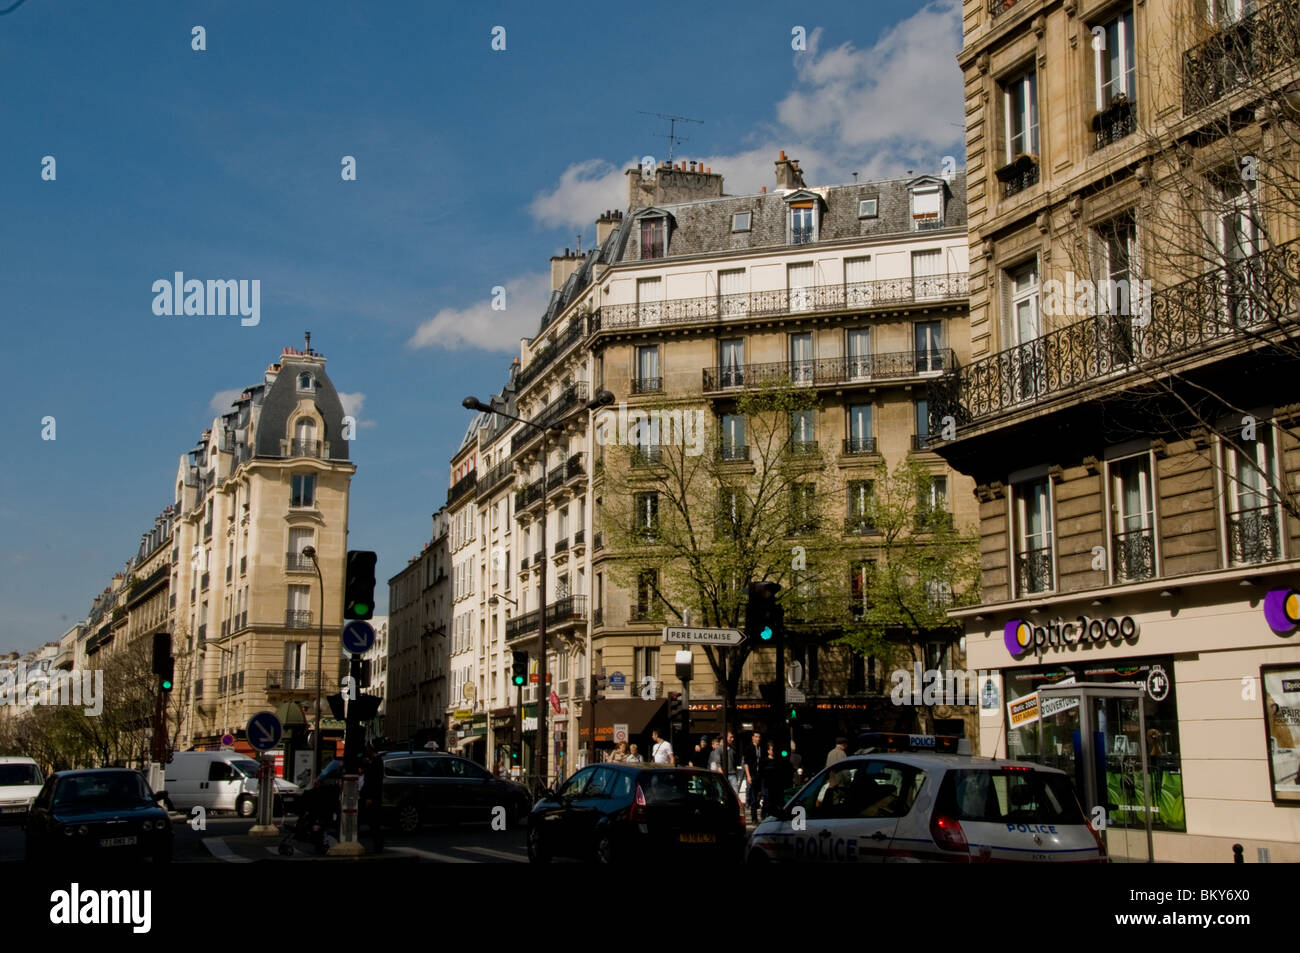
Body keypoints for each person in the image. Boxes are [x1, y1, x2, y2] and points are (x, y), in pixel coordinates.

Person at [359, 744, 385, 851]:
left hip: (372, 797)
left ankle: (379, 844)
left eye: (367, 749)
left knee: (373, 823)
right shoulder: (375, 761)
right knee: (372, 823)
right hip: (371, 796)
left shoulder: (376, 762)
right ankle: (378, 844)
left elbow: (374, 781)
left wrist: (370, 797)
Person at [744, 732, 764, 823]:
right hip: (752, 774)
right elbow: (746, 763)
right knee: (752, 797)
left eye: (759, 737)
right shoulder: (749, 748)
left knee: (759, 796)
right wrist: (748, 775)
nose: (758, 739)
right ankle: (754, 817)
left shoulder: (761, 748)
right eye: (756, 737)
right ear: (752, 738)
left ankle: (762, 815)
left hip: (760, 775)